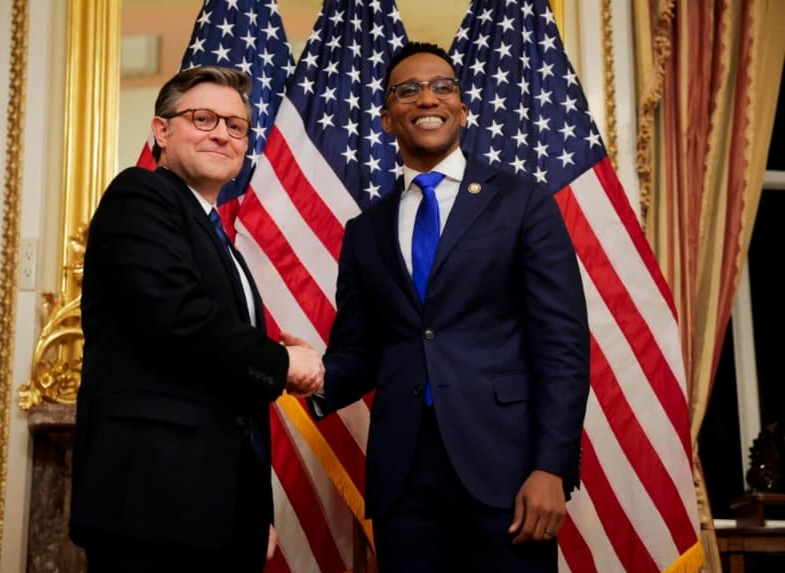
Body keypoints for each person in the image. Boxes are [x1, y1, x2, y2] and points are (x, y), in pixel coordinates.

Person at [289, 42, 590, 572]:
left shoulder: (522, 203)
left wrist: (552, 467)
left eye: (442, 86)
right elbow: (361, 348)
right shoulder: (365, 232)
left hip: (509, 471)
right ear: (387, 118)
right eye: (408, 90)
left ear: (461, 108)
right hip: (404, 478)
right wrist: (311, 375)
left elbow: (562, 346)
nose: (427, 97)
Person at [69, 66, 323, 572]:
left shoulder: (213, 234)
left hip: (214, 512)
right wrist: (283, 362)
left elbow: (224, 388)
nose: (221, 134)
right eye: (203, 118)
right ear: (161, 131)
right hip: (151, 504)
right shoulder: (139, 197)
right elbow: (179, 321)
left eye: (236, 126)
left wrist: (248, 512)